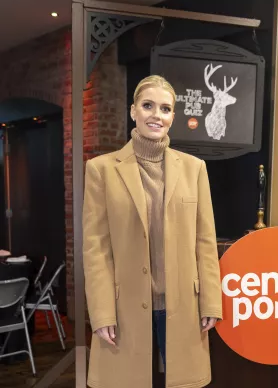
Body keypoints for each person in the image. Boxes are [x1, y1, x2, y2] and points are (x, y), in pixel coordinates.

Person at [83, 75, 223, 388]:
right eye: (148, 106)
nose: (155, 115)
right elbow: (96, 250)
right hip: (126, 311)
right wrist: (102, 312)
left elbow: (205, 240)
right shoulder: (101, 170)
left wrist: (211, 301)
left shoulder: (194, 168)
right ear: (133, 111)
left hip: (183, 307)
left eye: (164, 108)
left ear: (173, 116)